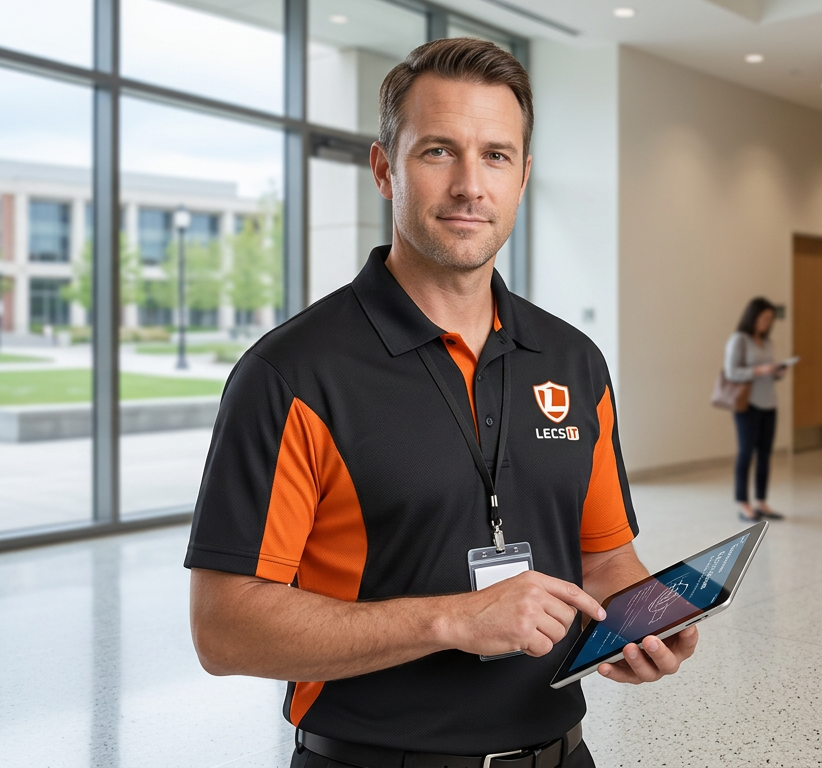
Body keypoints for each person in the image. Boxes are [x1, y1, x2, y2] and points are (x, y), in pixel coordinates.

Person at [184, 39, 695, 768]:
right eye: (436, 152)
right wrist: (455, 618)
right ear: (385, 169)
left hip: (560, 754)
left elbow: (606, 557)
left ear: (522, 175)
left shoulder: (574, 361)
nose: (469, 185)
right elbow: (225, 631)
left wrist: (644, 622)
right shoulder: (292, 374)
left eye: (495, 155)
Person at [723, 297, 788, 522]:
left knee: (765, 455)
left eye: (771, 319)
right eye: (765, 318)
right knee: (745, 453)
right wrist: (760, 370)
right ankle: (743, 503)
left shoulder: (767, 342)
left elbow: (768, 372)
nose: (768, 322)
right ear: (753, 316)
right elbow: (731, 372)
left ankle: (761, 501)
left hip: (769, 403)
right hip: (748, 405)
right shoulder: (739, 340)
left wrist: (776, 372)